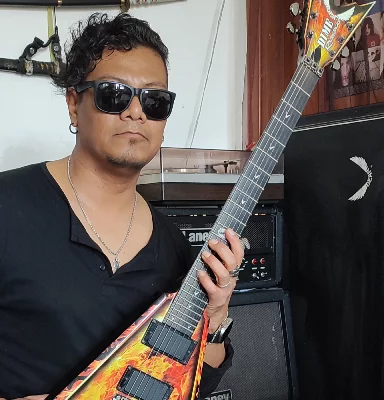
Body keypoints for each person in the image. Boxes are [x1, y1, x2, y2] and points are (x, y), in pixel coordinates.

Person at [0, 12, 243, 400]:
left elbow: (189, 385)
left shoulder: (175, 248)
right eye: (114, 94)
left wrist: (215, 319)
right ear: (74, 104)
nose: (136, 112)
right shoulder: (7, 206)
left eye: (155, 101)